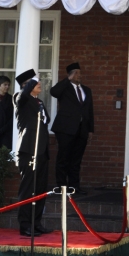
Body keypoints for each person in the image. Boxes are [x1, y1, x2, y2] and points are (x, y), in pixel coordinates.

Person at [14, 69, 52, 236]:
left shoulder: (39, 102)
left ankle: (36, 222)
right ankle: (25, 224)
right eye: (35, 83)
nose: (40, 84)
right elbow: (22, 96)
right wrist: (31, 81)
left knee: (40, 189)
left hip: (42, 150)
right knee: (28, 189)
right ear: (26, 85)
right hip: (28, 150)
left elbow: (46, 120)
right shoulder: (20, 98)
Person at [50, 63, 94, 194]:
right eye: (76, 73)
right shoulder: (64, 88)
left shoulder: (86, 90)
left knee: (76, 159)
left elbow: (89, 110)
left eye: (80, 73)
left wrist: (90, 129)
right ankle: (62, 186)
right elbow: (53, 92)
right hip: (65, 128)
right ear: (71, 74)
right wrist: (67, 80)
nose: (79, 75)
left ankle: (74, 186)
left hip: (82, 129)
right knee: (64, 157)